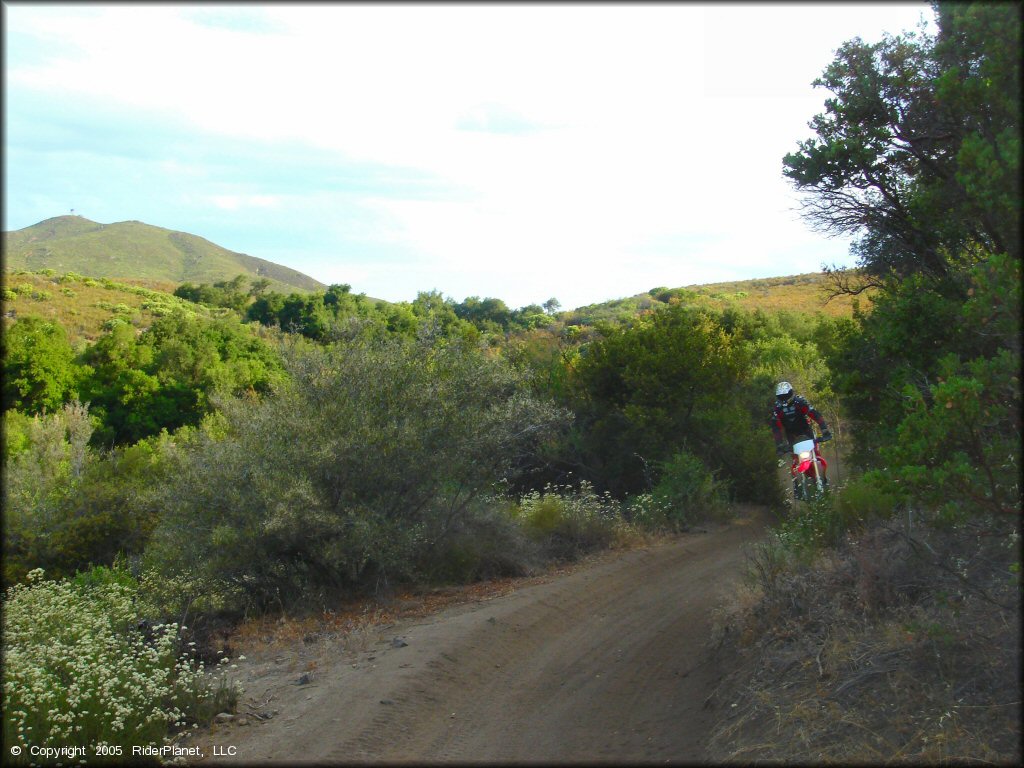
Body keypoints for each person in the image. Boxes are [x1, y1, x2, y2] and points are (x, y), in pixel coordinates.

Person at [770, 382, 832, 496]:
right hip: (792, 437)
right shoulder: (777, 409)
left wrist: (824, 430)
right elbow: (776, 428)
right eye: (781, 397)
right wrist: (779, 445)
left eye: (785, 396)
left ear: (791, 393)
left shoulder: (800, 402)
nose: (783, 399)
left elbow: (815, 414)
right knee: (795, 461)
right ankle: (797, 486)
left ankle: (823, 479)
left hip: (807, 433)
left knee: (816, 454)